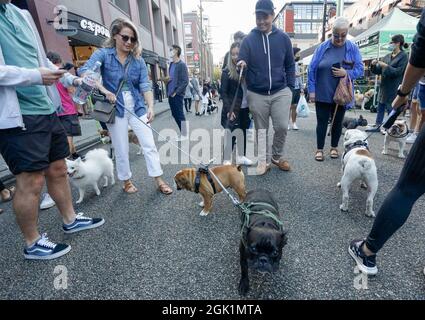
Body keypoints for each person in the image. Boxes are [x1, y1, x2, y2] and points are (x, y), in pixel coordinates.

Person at [0, 1, 104, 260]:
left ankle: (70, 220)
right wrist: (35, 75)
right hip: (17, 115)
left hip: (46, 109)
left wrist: (70, 79)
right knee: (31, 179)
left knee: (59, 169)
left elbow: (41, 59)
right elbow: (34, 69)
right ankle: (32, 242)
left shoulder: (20, 14)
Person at [348, 8, 425, 276]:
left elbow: (421, 53)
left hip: (399, 90)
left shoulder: (405, 54)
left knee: (408, 188)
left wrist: (403, 94)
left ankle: (367, 252)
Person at [79, 18, 173, 196]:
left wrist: (151, 106)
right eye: (125, 37)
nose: (129, 42)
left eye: (133, 39)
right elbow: (85, 72)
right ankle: (126, 180)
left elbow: (145, 85)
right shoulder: (103, 55)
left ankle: (159, 179)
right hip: (116, 107)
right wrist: (103, 89)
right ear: (115, 35)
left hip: (137, 106)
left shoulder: (137, 61)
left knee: (149, 144)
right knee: (121, 147)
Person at [237, 0, 295, 175]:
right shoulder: (249, 39)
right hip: (257, 92)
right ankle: (263, 160)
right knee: (261, 130)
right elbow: (242, 57)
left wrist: (291, 88)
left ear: (272, 15)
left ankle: (276, 157)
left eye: (265, 17)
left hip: (280, 90)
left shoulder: (283, 38)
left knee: (282, 126)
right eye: (258, 17)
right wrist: (241, 62)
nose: (261, 21)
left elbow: (290, 65)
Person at [308, 17, 364, 161]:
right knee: (322, 122)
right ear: (331, 33)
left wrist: (347, 73)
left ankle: (334, 147)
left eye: (343, 35)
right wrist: (312, 90)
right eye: (336, 35)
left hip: (341, 93)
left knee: (338, 122)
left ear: (347, 33)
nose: (339, 39)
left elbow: (360, 69)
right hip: (323, 91)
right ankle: (319, 149)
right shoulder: (322, 47)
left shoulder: (352, 48)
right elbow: (312, 69)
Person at [365, 34, 409, 133]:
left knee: (391, 108)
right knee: (381, 106)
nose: (390, 44)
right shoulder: (387, 56)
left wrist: (385, 66)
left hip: (394, 86)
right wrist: (373, 65)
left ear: (398, 43)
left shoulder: (403, 56)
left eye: (391, 42)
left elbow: (398, 72)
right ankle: (378, 125)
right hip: (384, 86)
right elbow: (378, 70)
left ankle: (391, 128)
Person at [221, 42, 255, 167]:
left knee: (244, 131)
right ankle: (226, 158)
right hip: (233, 107)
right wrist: (229, 110)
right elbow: (223, 93)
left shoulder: (247, 69)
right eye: (233, 54)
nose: (235, 57)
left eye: (238, 54)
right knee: (232, 132)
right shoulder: (227, 71)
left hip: (246, 106)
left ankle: (241, 156)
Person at [47, 52, 82, 160]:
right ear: (58, 62)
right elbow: (72, 91)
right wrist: (79, 108)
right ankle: (66, 159)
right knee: (68, 136)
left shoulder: (47, 75)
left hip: (54, 111)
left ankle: (74, 154)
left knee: (62, 136)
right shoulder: (62, 75)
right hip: (68, 110)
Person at [166, 44, 189, 141]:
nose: (170, 51)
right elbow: (171, 78)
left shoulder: (182, 65)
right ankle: (182, 133)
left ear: (176, 51)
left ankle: (184, 135)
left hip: (177, 94)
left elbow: (185, 81)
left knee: (179, 113)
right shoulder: (171, 64)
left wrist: (177, 92)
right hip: (170, 93)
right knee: (174, 114)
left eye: (171, 50)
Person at [406, 78, 425, 144]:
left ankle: (417, 133)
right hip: (420, 80)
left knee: (421, 110)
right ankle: (411, 131)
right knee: (413, 104)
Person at [289, 47, 303, 131]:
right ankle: (286, 123)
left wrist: (301, 88)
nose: (299, 55)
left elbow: (300, 77)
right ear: (293, 54)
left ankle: (294, 123)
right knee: (288, 107)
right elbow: (285, 74)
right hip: (290, 87)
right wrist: (294, 75)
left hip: (297, 87)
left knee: (294, 106)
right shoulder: (289, 63)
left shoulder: (297, 64)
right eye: (298, 53)